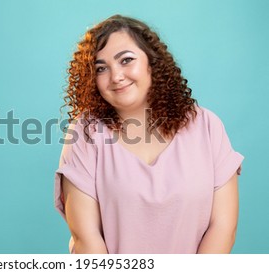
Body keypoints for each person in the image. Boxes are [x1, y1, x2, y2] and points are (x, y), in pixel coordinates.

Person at [54, 14, 244, 254]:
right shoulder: (85, 133)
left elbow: (223, 227)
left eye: (126, 60)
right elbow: (86, 238)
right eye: (101, 68)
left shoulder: (207, 126)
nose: (116, 77)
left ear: (152, 63)